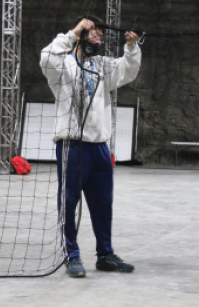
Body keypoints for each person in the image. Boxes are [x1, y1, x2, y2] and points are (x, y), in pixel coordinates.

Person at [39, 16, 141, 277]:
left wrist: (131, 47)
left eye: (99, 36)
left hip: (99, 147)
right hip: (72, 147)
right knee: (69, 202)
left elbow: (127, 71)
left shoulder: (100, 66)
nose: (97, 39)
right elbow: (47, 56)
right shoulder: (63, 65)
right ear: (81, 36)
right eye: (92, 34)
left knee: (103, 203)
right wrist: (74, 31)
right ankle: (71, 255)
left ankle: (105, 254)